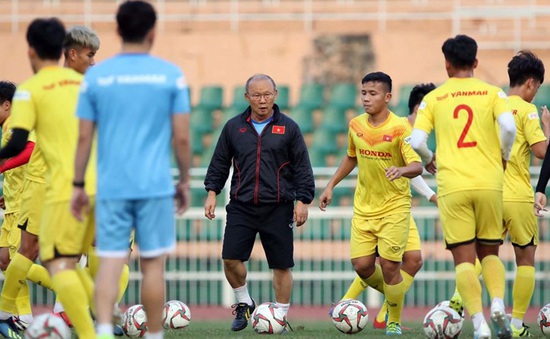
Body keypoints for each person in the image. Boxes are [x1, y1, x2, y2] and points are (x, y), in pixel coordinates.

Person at [71, 2, 191, 339]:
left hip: (111, 186)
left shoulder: (97, 76)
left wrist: (78, 184)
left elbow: (84, 136)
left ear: (118, 30)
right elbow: (181, 137)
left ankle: (104, 331)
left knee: (110, 261)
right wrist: (183, 180)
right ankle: (154, 335)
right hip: (154, 186)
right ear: (153, 31)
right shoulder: (170, 75)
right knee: (152, 265)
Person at [411, 34, 516, 339]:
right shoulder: (493, 93)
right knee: (490, 252)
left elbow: (416, 141)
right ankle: (498, 302)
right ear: (476, 62)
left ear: (446, 64)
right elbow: (509, 127)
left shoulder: (434, 98)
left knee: (463, 257)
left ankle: (480, 324)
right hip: (489, 181)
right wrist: (503, 155)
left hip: (452, 185)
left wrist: (430, 159)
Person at [0, 25, 101, 337]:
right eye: (90, 55)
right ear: (68, 53)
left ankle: (5, 313)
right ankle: (92, 323)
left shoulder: (33, 89)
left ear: (32, 51)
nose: (94, 62)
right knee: (70, 260)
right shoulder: (91, 89)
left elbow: (20, 145)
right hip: (86, 183)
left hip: (46, 183)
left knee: (29, 251)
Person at [204, 73, 315, 332]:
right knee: (230, 259)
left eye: (267, 95)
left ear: (275, 95)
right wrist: (212, 192)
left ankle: (281, 317)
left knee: (281, 265)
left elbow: (302, 167)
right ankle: (244, 303)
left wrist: (303, 200)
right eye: (256, 95)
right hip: (241, 206)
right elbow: (219, 162)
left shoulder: (289, 128)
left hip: (278, 206)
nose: (262, 100)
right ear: (247, 97)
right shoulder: (233, 127)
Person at [319, 71, 423, 335]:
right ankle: (393, 295)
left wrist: (401, 171)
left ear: (387, 97)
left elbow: (417, 165)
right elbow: (350, 157)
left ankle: (393, 322)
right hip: (364, 208)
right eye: (363, 93)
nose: (366, 98)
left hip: (394, 207)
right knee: (362, 266)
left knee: (390, 267)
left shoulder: (400, 127)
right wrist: (331, 185)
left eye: (372, 93)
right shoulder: (356, 125)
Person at [500, 50, 549, 337]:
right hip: (517, 194)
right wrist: (547, 128)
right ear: (530, 83)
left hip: (490, 193)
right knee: (526, 259)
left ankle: (457, 307)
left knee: (483, 257)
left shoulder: (493, 105)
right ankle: (516, 325)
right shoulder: (526, 109)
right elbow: (542, 152)